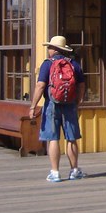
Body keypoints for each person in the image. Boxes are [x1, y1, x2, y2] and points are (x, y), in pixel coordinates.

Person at [28, 35, 86, 182]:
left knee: (53, 138)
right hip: (70, 104)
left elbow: (40, 85)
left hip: (51, 104)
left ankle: (55, 172)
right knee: (71, 138)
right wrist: (77, 102)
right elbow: (81, 85)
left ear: (54, 49)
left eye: (49, 47)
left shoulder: (47, 64)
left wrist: (33, 106)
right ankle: (74, 170)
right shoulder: (74, 64)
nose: (48, 49)